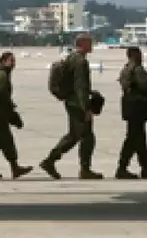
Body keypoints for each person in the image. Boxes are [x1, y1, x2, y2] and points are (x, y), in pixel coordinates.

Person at [40, 34, 103, 180]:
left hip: (71, 101)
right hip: (77, 103)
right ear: (83, 44)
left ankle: (50, 161)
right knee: (87, 137)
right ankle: (84, 169)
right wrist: (86, 108)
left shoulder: (71, 58)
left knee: (74, 135)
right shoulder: (80, 61)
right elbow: (80, 86)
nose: (92, 45)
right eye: (89, 42)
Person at [0, 51, 33, 180]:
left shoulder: (2, 74)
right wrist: (13, 116)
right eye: (11, 61)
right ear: (4, 61)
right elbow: (3, 98)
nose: (14, 63)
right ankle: (12, 167)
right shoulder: (2, 76)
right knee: (2, 141)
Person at [116, 46, 147, 179]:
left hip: (131, 106)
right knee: (133, 138)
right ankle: (123, 168)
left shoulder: (126, 69)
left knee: (139, 138)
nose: (141, 57)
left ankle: (144, 167)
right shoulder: (137, 69)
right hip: (137, 107)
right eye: (138, 55)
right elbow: (144, 85)